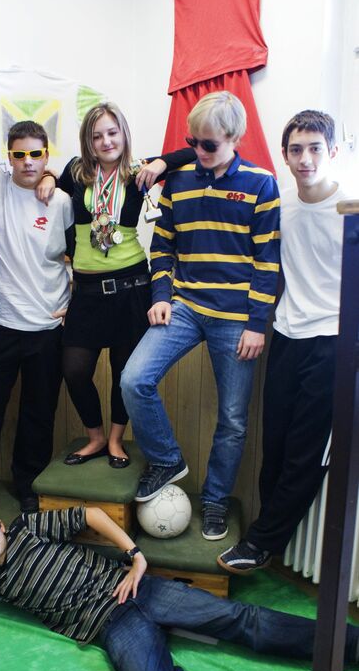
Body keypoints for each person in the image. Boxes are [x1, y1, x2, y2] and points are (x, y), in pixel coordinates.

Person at [0, 500, 359, 671]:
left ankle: (351, 645)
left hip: (138, 588)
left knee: (240, 619)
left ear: (2, 524)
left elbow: (91, 515)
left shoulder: (29, 528)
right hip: (112, 625)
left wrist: (135, 556)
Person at [121, 91, 281, 541]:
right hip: (186, 307)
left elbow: (268, 261)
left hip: (236, 318)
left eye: (209, 144)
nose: (199, 151)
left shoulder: (262, 184)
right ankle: (167, 459)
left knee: (232, 420)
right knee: (134, 380)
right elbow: (162, 246)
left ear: (234, 138)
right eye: (193, 142)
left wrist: (256, 324)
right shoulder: (179, 180)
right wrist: (161, 295)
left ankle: (214, 502)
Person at [218, 110, 345, 574]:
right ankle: (268, 542)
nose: (305, 159)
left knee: (305, 452)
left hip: (334, 342)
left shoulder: (351, 207)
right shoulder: (279, 205)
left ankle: (261, 541)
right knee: (273, 445)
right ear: (285, 156)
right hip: (287, 334)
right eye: (296, 150)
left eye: (315, 149)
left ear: (332, 152)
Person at [39, 102, 192, 469]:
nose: (106, 141)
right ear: (88, 141)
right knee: (75, 369)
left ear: (124, 134)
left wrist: (161, 163)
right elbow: (51, 184)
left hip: (131, 287)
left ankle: (115, 439)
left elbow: (190, 152)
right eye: (97, 136)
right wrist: (46, 177)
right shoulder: (75, 172)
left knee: (124, 373)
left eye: (112, 132)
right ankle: (94, 437)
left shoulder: (138, 172)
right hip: (87, 293)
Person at [0, 120, 74, 513]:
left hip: (48, 325)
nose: (28, 162)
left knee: (39, 413)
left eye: (36, 154)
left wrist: (77, 302)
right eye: (19, 154)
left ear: (47, 155)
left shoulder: (62, 200)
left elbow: (83, 256)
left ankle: (28, 485)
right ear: (9, 156)